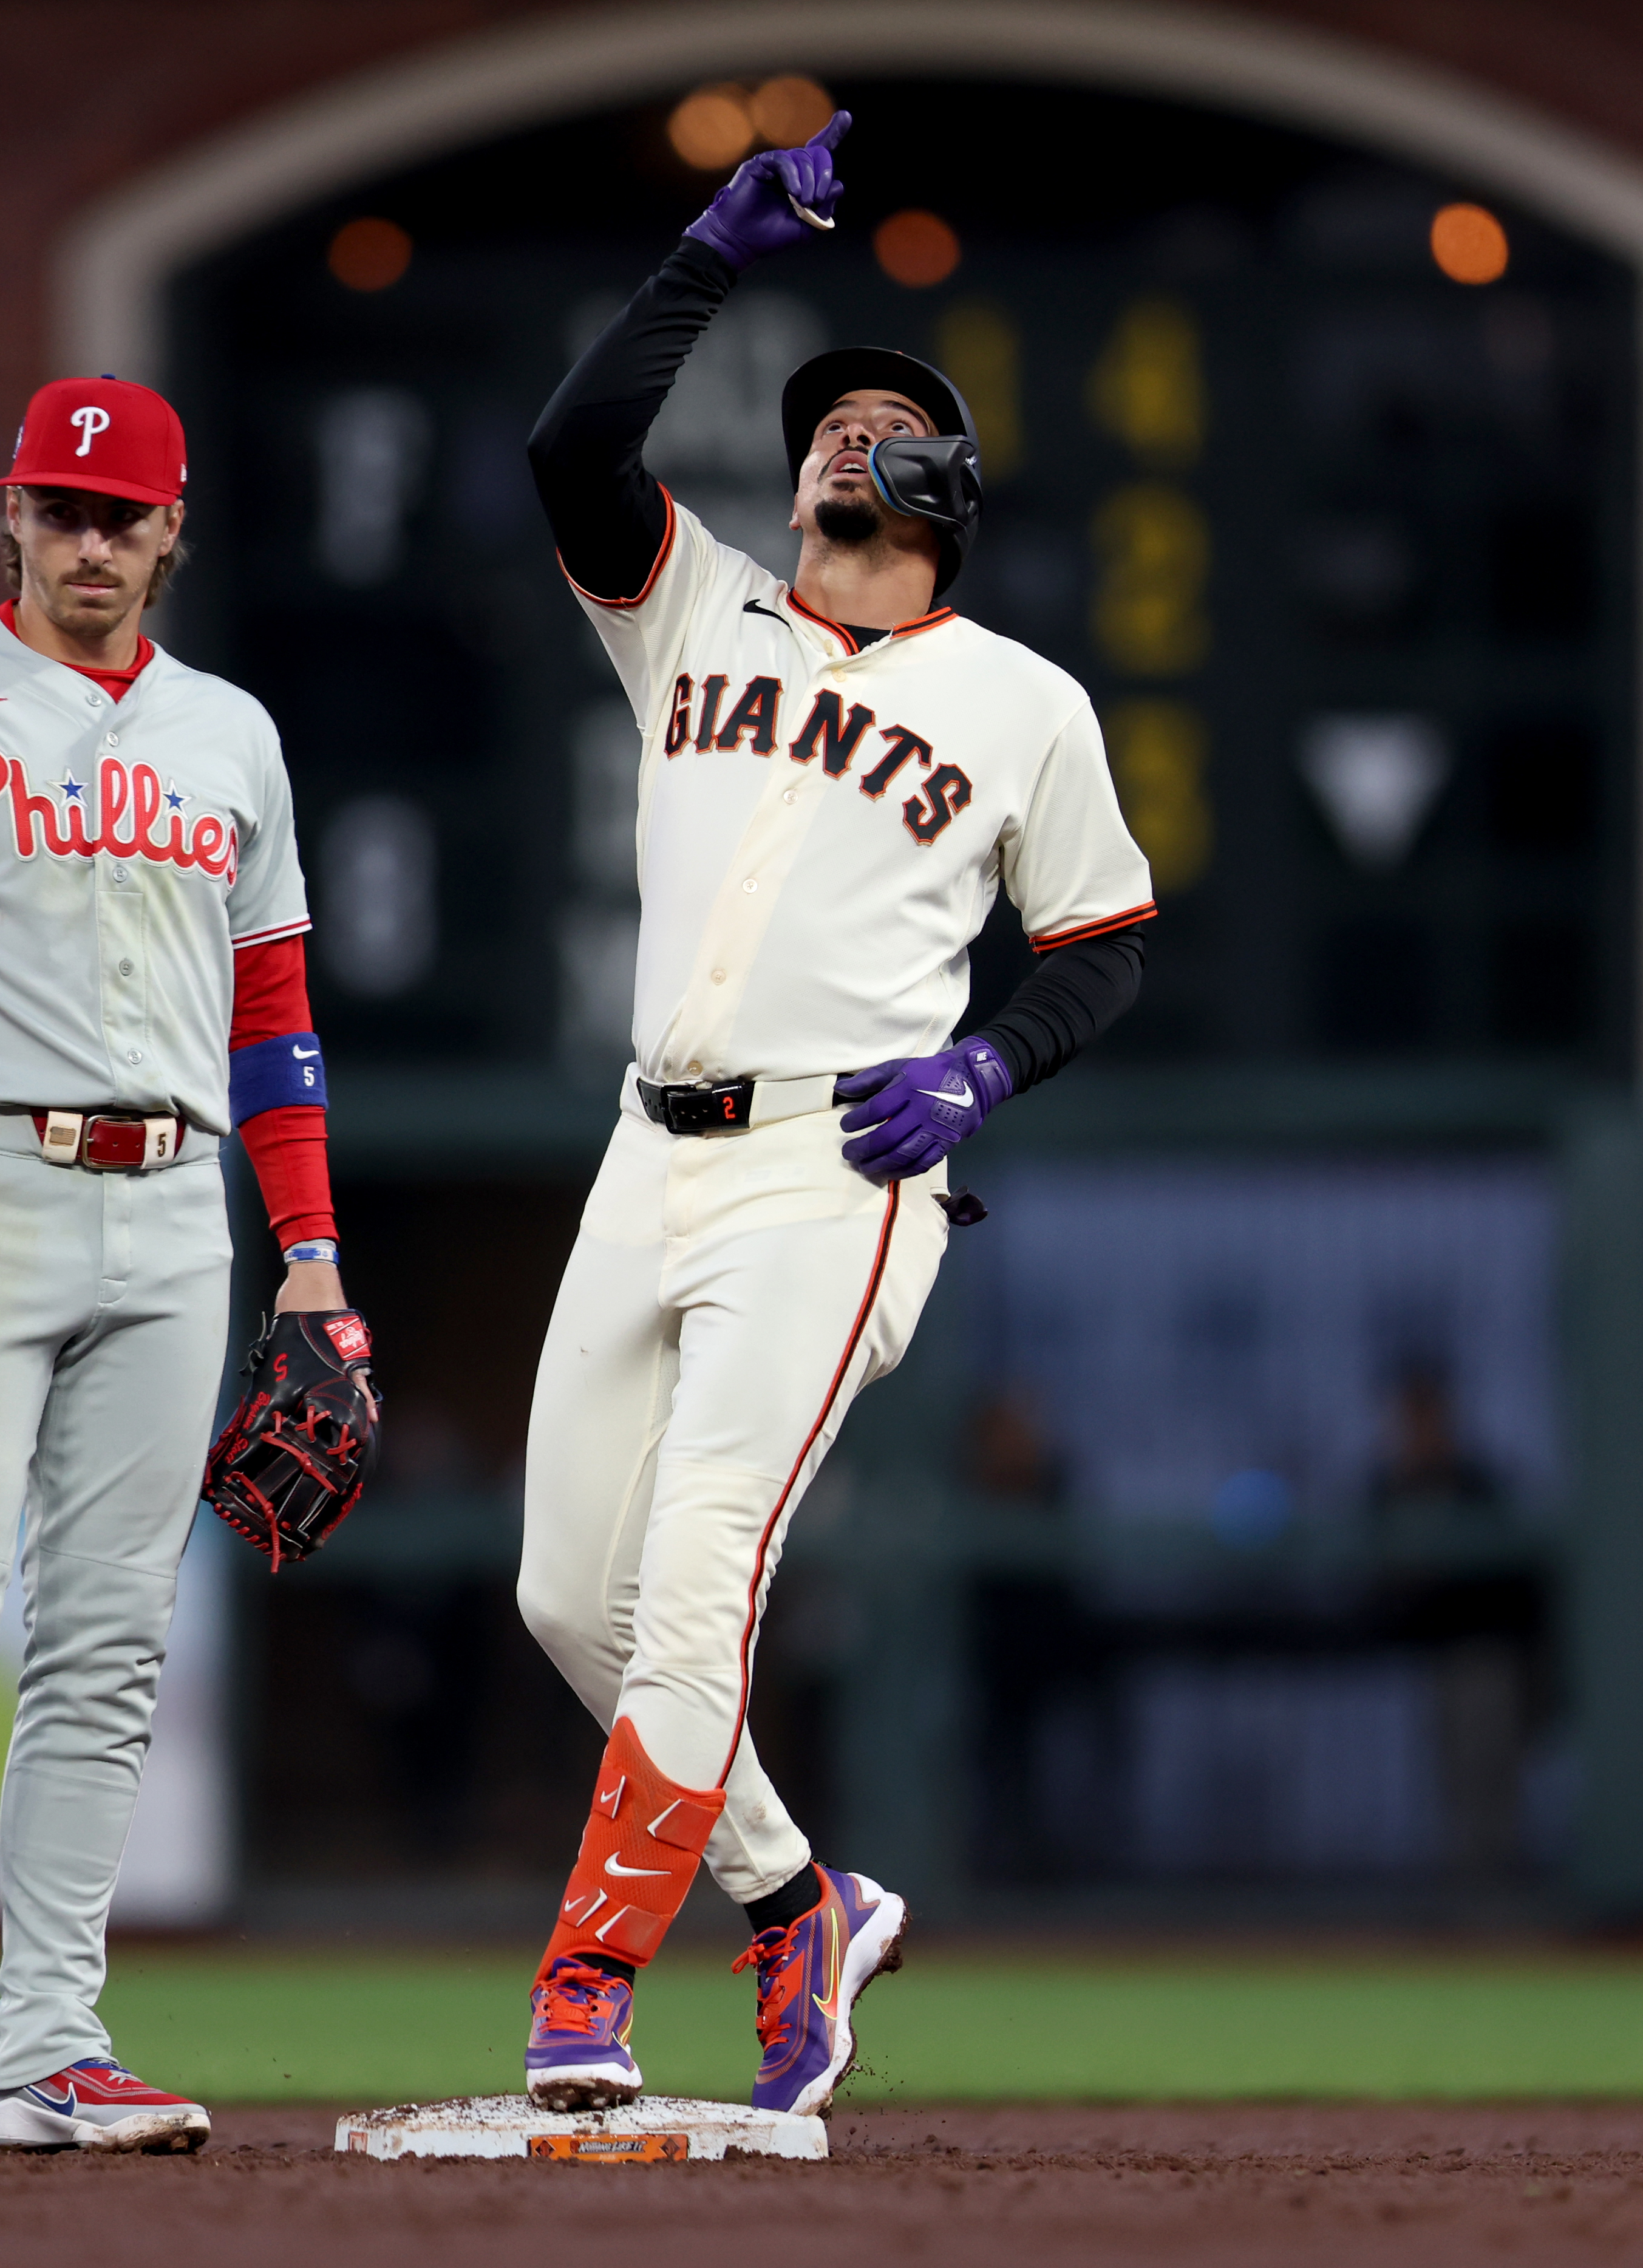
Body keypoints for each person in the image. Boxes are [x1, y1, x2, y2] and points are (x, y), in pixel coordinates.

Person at [514, 115, 1154, 2118]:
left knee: (699, 1567)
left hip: (839, 1164)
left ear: (948, 487)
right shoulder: (691, 609)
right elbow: (570, 450)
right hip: (649, 1146)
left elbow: (1104, 944)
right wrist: (704, 254)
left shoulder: (1021, 700)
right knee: (567, 1597)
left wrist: (987, 1067)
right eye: (821, 426)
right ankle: (800, 1899)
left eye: (881, 424)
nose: (839, 441)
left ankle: (587, 1985)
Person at [0, 376, 350, 2154]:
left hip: (176, 1211)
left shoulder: (230, 733)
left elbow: (274, 1015)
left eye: (123, 515)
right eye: (61, 509)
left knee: (108, 1650)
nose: (90, 542)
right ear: (12, 517)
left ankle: (44, 2049)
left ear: (173, 532)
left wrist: (312, 1254)